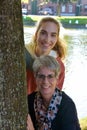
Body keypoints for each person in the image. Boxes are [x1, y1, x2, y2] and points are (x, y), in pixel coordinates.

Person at [27, 55, 81, 130]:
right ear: (35, 77)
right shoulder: (29, 101)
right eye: (41, 76)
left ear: (57, 78)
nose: (45, 82)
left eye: (50, 76)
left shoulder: (67, 105)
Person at [25, 16, 66, 94]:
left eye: (53, 35)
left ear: (57, 38)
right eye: (43, 33)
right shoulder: (22, 54)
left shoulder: (59, 66)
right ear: (36, 34)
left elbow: (54, 96)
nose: (47, 39)